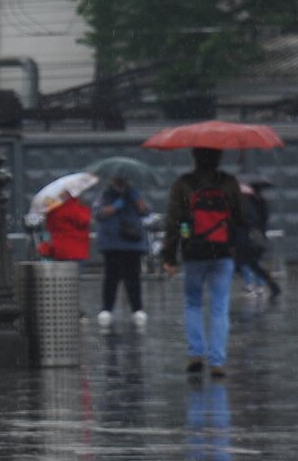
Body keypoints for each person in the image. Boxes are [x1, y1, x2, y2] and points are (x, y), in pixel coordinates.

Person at [162, 147, 248, 377]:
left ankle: (196, 354)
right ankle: (217, 360)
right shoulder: (229, 182)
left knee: (193, 303)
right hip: (222, 252)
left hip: (194, 252)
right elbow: (242, 217)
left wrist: (170, 256)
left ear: (194, 157)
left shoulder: (183, 183)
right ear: (219, 157)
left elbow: (173, 221)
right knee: (220, 306)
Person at [93, 176, 151, 328]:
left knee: (133, 278)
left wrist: (137, 200)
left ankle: (137, 309)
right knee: (111, 278)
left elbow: (146, 211)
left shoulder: (134, 193)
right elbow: (98, 213)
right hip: (112, 243)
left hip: (132, 243)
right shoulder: (105, 195)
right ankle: (107, 309)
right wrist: (114, 207)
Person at [234, 179, 282, 299]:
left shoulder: (247, 203)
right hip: (258, 236)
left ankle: (251, 285)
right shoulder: (261, 202)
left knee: (245, 262)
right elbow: (264, 219)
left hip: (246, 237)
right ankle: (262, 286)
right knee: (255, 262)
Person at [41, 190, 92, 262]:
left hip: (58, 248)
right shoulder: (71, 206)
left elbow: (50, 226)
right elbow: (84, 220)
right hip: (74, 248)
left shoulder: (52, 209)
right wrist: (83, 207)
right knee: (74, 271)